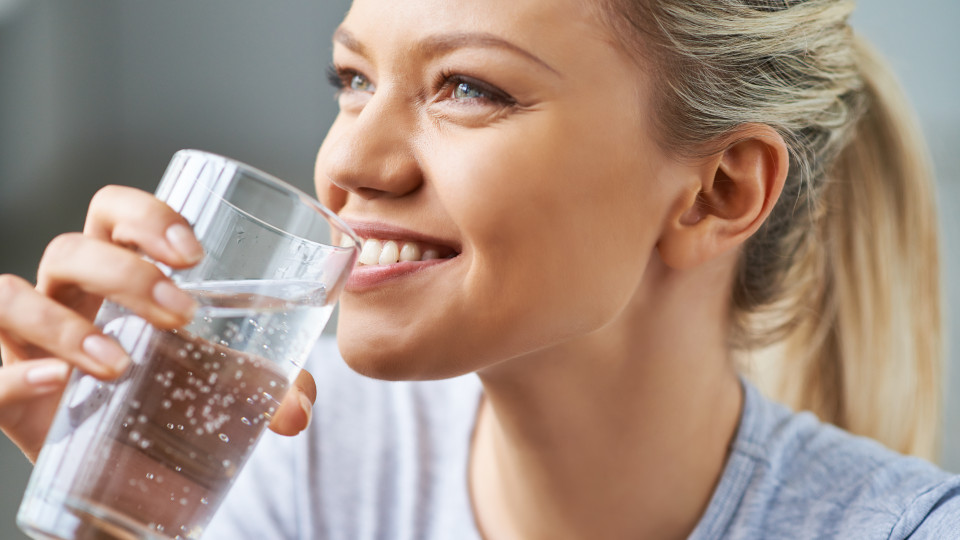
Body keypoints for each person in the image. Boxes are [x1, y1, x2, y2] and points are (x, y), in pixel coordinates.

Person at [1, 0, 958, 537]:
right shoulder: (294, 465)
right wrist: (114, 525)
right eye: (353, 80)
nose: (347, 165)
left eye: (468, 87)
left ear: (716, 192)